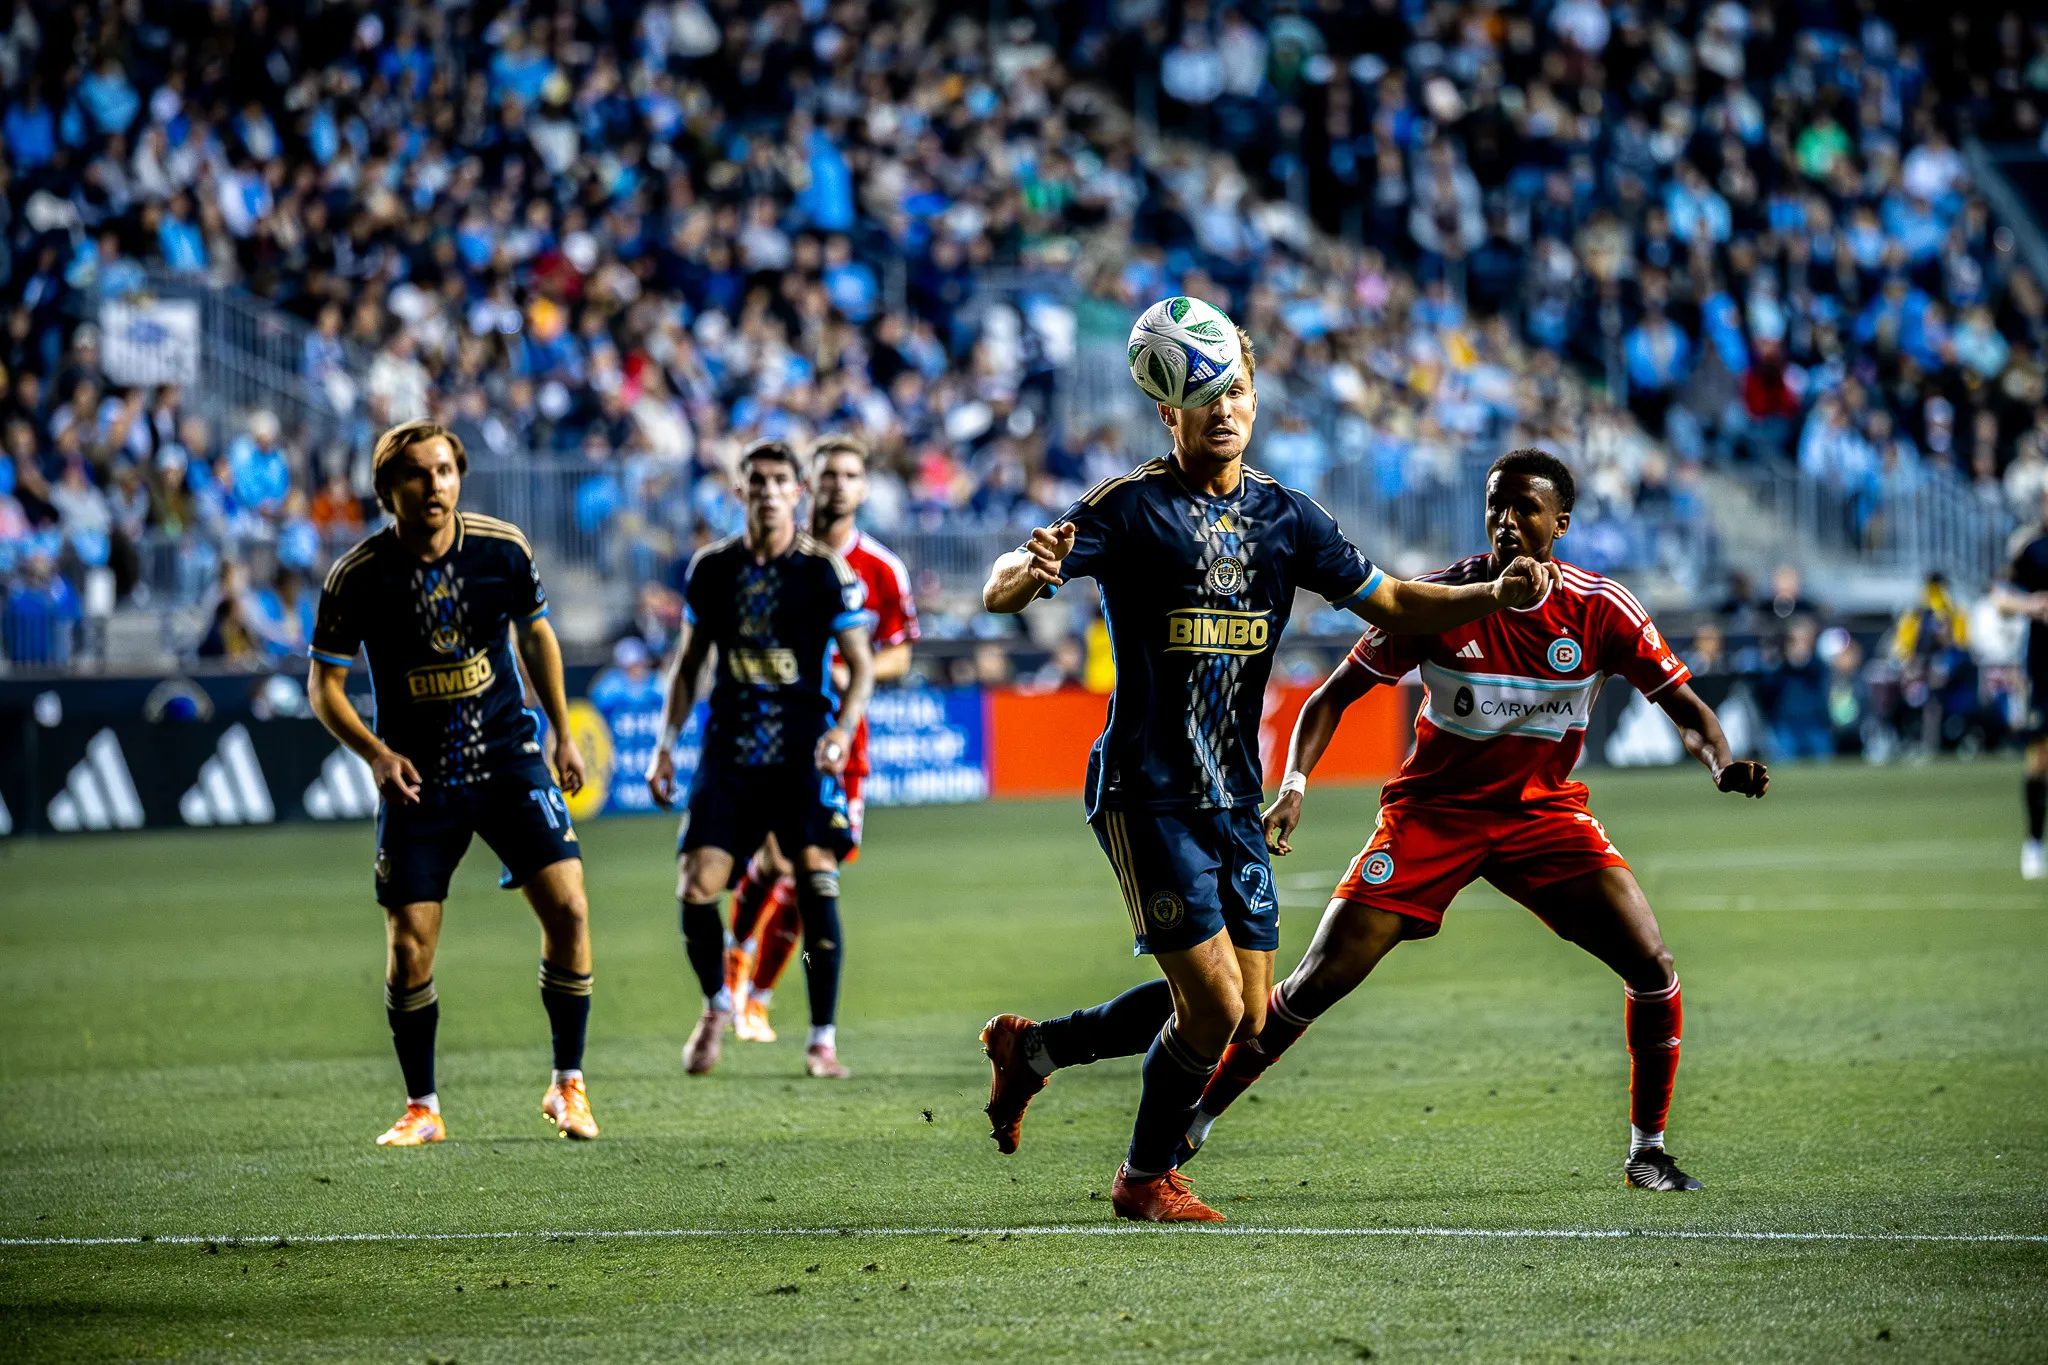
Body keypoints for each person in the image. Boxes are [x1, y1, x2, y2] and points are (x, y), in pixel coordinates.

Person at [975, 322, 1557, 1223]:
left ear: (1256, 401)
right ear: (1169, 413)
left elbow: (1396, 601)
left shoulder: (1288, 519)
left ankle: (1036, 1050)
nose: (1226, 410)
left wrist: (1493, 592)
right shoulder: (1131, 507)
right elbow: (1002, 586)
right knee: (1210, 1010)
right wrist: (1028, 567)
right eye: (1206, 397)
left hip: (1232, 793)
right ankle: (1143, 1178)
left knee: (1247, 1012)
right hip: (1147, 789)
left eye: (1238, 392)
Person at [1168, 449, 1770, 1193]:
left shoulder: (1602, 609)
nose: (1506, 521)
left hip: (1542, 816)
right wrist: (1293, 783)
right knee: (1317, 980)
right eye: (1495, 506)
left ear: (1560, 523)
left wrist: (1719, 762)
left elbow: (1687, 709)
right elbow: (1329, 698)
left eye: (1525, 508)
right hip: (1432, 818)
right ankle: (1192, 1121)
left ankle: (1648, 1151)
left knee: (1653, 967)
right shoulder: (1439, 600)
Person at [305, 419, 599, 1147]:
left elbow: (536, 633)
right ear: (387, 490)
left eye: (444, 470)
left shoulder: (503, 549)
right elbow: (324, 685)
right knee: (409, 946)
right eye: (416, 473)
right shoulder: (357, 575)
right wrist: (376, 754)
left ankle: (568, 1085)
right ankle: (422, 1107)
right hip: (419, 777)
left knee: (569, 908)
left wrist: (562, 731)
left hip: (508, 758)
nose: (433, 485)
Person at [646, 440, 876, 1080]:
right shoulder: (711, 568)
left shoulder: (825, 572)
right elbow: (688, 665)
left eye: (780, 482)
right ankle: (717, 1004)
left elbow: (861, 668)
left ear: (797, 493)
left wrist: (843, 731)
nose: (769, 492)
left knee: (816, 880)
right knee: (696, 887)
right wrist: (664, 747)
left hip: (802, 755)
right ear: (740, 491)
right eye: (758, 481)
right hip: (731, 753)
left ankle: (822, 1040)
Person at [724, 433, 920, 1044]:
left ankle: (755, 995)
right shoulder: (780, 555)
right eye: (829, 474)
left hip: (842, 743)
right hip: (775, 736)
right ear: (809, 484)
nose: (838, 485)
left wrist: (851, 671)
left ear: (864, 488)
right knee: (777, 862)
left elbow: (900, 655)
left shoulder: (881, 569)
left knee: (810, 871)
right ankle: (738, 958)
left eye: (850, 475)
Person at [1994, 510, 2048, 877]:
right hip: (2044, 670)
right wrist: (2032, 605)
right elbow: (2001, 599)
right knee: (2040, 758)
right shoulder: (2034, 550)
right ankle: (2034, 843)